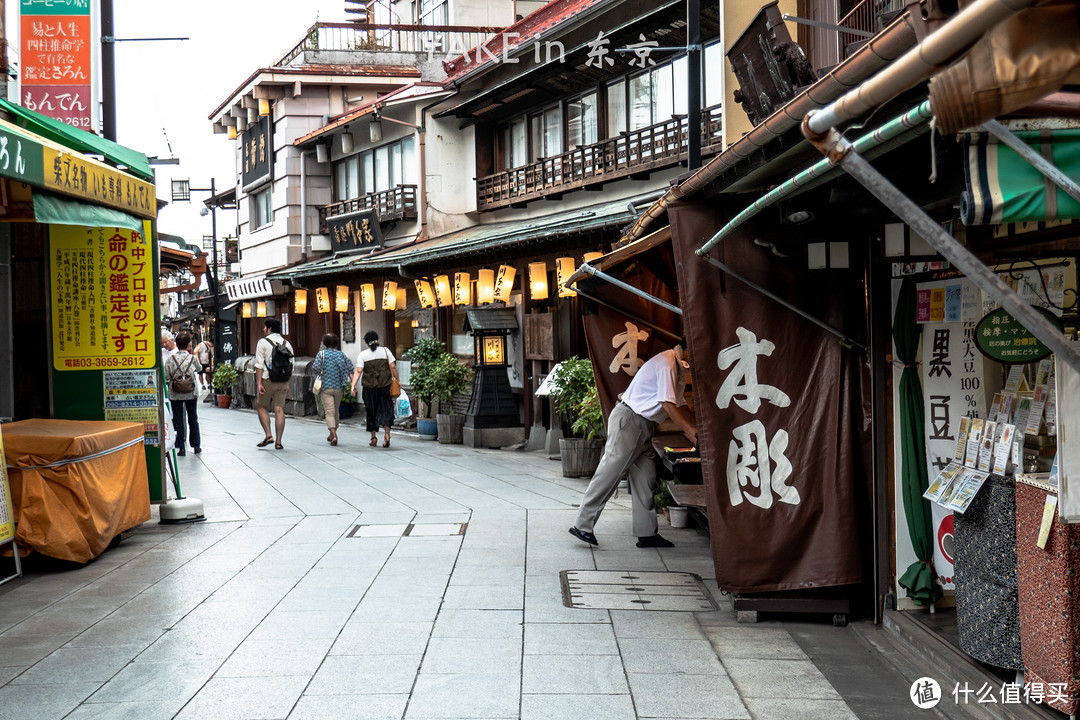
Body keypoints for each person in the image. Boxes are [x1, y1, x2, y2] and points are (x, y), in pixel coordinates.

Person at [569, 340, 697, 548]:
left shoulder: (677, 366)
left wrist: (697, 428)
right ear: (688, 349)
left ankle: (647, 533)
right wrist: (690, 431)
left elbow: (679, 404)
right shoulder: (667, 362)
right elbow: (667, 404)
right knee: (609, 473)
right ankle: (582, 525)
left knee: (645, 477)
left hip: (643, 424)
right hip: (631, 421)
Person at [351, 330, 399, 448]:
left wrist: (353, 384)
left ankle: (373, 437)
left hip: (369, 388)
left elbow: (358, 371)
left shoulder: (363, 355)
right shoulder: (385, 351)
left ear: (366, 342)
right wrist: (398, 380)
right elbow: (393, 366)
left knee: (371, 411)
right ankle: (387, 434)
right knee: (386, 409)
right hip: (385, 386)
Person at [254, 317, 294, 450]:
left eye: (265, 327)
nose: (264, 329)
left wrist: (259, 383)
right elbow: (291, 365)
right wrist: (287, 383)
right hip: (282, 380)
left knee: (262, 407)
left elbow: (259, 364)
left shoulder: (263, 342)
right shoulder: (286, 343)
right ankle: (279, 441)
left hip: (268, 378)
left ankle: (268, 435)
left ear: (269, 328)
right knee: (279, 409)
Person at [310, 333, 354, 446]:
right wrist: (353, 384)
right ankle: (332, 433)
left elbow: (315, 368)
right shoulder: (342, 355)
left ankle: (333, 435)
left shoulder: (322, 354)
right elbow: (350, 368)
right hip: (339, 387)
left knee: (329, 412)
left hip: (326, 387)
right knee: (336, 411)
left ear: (325, 343)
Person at [164, 331, 203, 456]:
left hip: (175, 393)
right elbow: (199, 369)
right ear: (188, 344)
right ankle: (196, 445)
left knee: (178, 419)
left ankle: (181, 447)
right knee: (193, 418)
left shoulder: (171, 359)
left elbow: (166, 376)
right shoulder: (192, 358)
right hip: (191, 392)